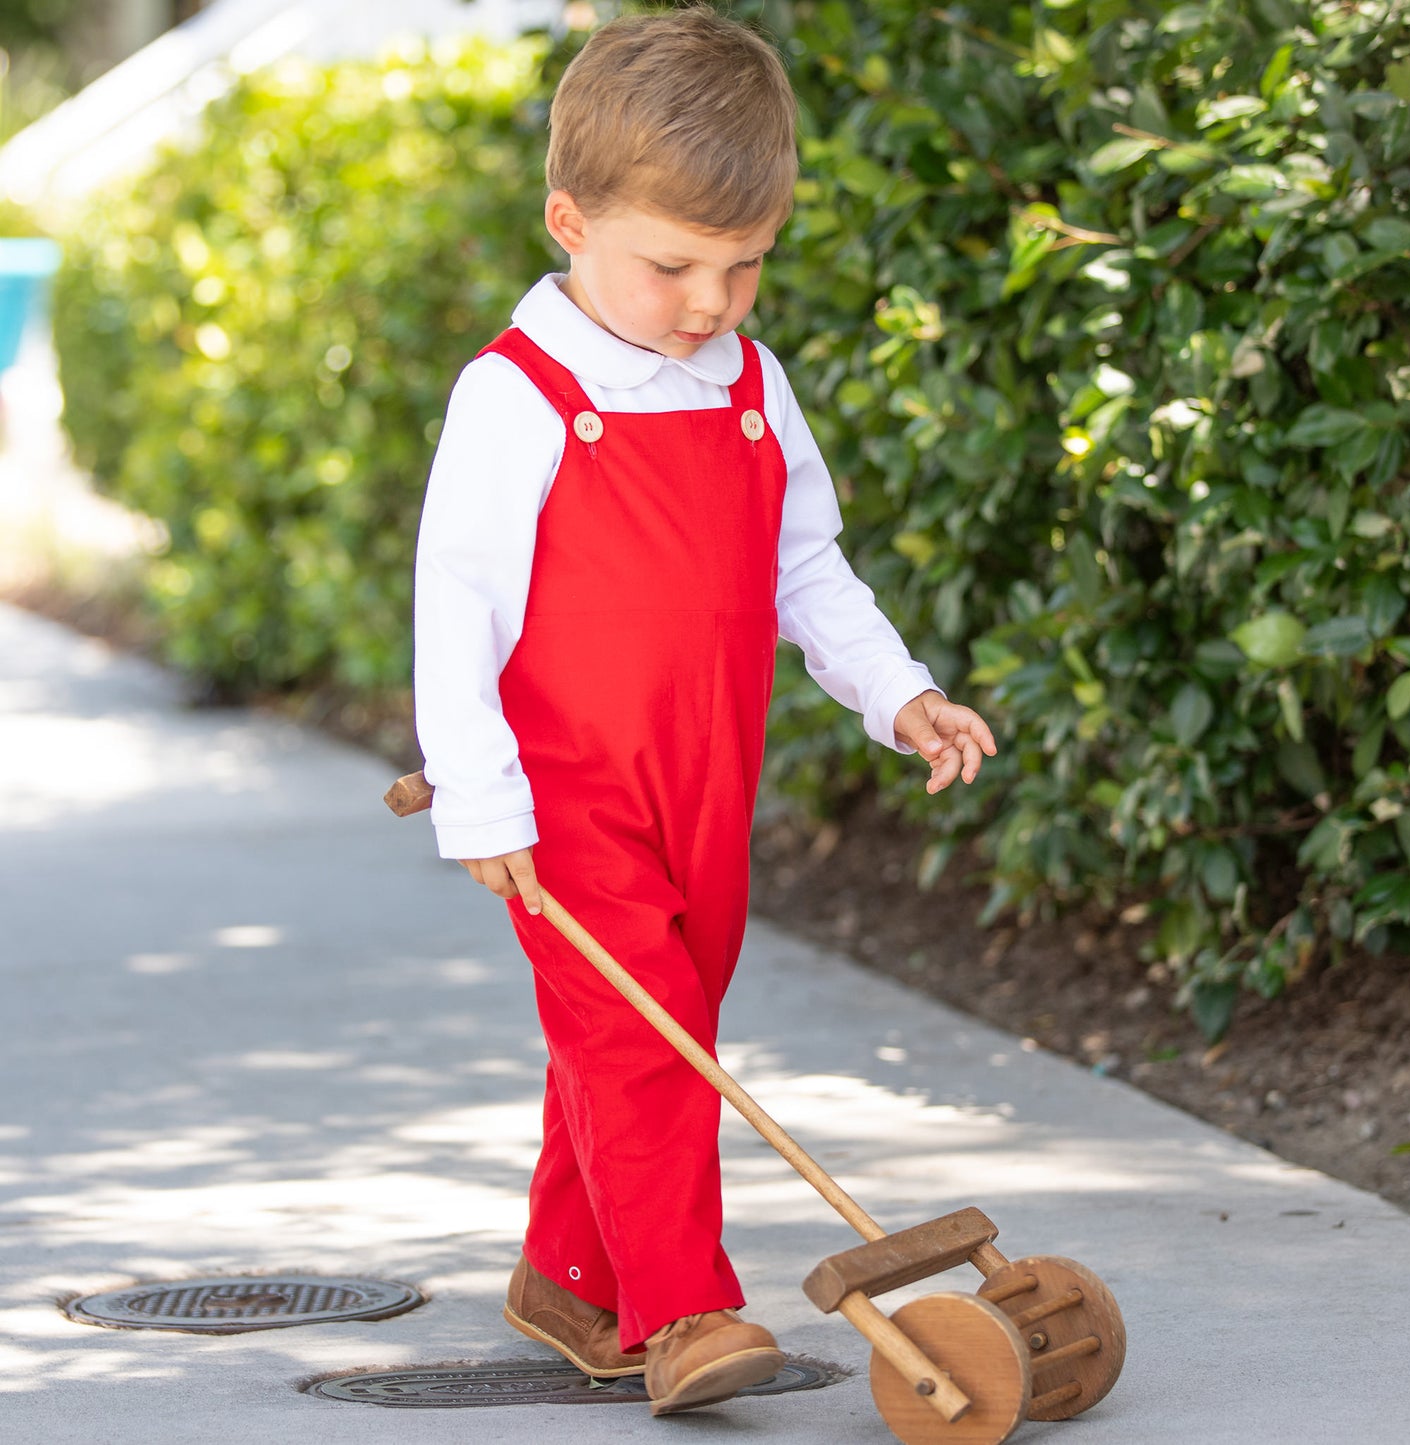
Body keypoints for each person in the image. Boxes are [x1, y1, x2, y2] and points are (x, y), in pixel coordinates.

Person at [412, 4, 996, 1418]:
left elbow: (807, 566)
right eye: (671, 264)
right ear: (568, 219)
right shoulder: (520, 396)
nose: (709, 303)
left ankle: (566, 1271)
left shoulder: (749, 384)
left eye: (744, 266)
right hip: (569, 797)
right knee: (642, 1033)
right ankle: (682, 1307)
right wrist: (479, 798)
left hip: (707, 781)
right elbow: (456, 602)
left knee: (652, 1031)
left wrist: (900, 691)